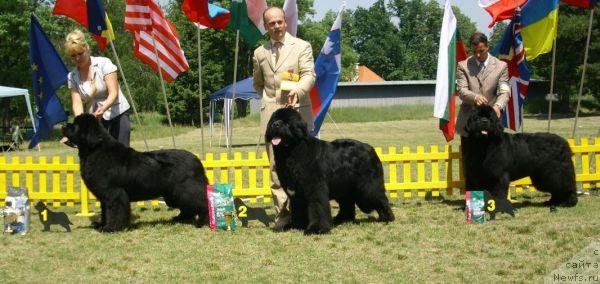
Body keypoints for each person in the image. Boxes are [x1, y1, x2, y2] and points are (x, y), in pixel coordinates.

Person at [252, 7, 316, 230]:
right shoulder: (259, 53)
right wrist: (270, 102)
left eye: (280, 22)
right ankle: (283, 213)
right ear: (266, 26)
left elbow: (309, 74)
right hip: (271, 116)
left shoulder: (302, 47)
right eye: (272, 23)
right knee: (275, 166)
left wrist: (298, 90)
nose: (277, 26)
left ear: (286, 23)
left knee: (306, 165)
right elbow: (257, 83)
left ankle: (307, 210)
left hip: (297, 113)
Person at [456, 32, 511, 190]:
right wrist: (474, 97)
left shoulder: (501, 66)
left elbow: (505, 91)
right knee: (472, 164)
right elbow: (462, 90)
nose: (478, 55)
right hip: (470, 125)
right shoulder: (463, 66)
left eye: (481, 51)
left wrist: (498, 107)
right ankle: (475, 203)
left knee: (493, 163)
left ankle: (493, 198)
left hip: (491, 124)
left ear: (487, 47)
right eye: (475, 52)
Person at [64, 29, 131, 146]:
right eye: (73, 56)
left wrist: (103, 108)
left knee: (120, 157)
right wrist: (81, 123)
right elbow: (77, 103)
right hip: (95, 120)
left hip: (117, 114)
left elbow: (113, 93)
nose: (77, 58)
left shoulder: (104, 63)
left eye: (80, 53)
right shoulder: (72, 76)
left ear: (87, 49)